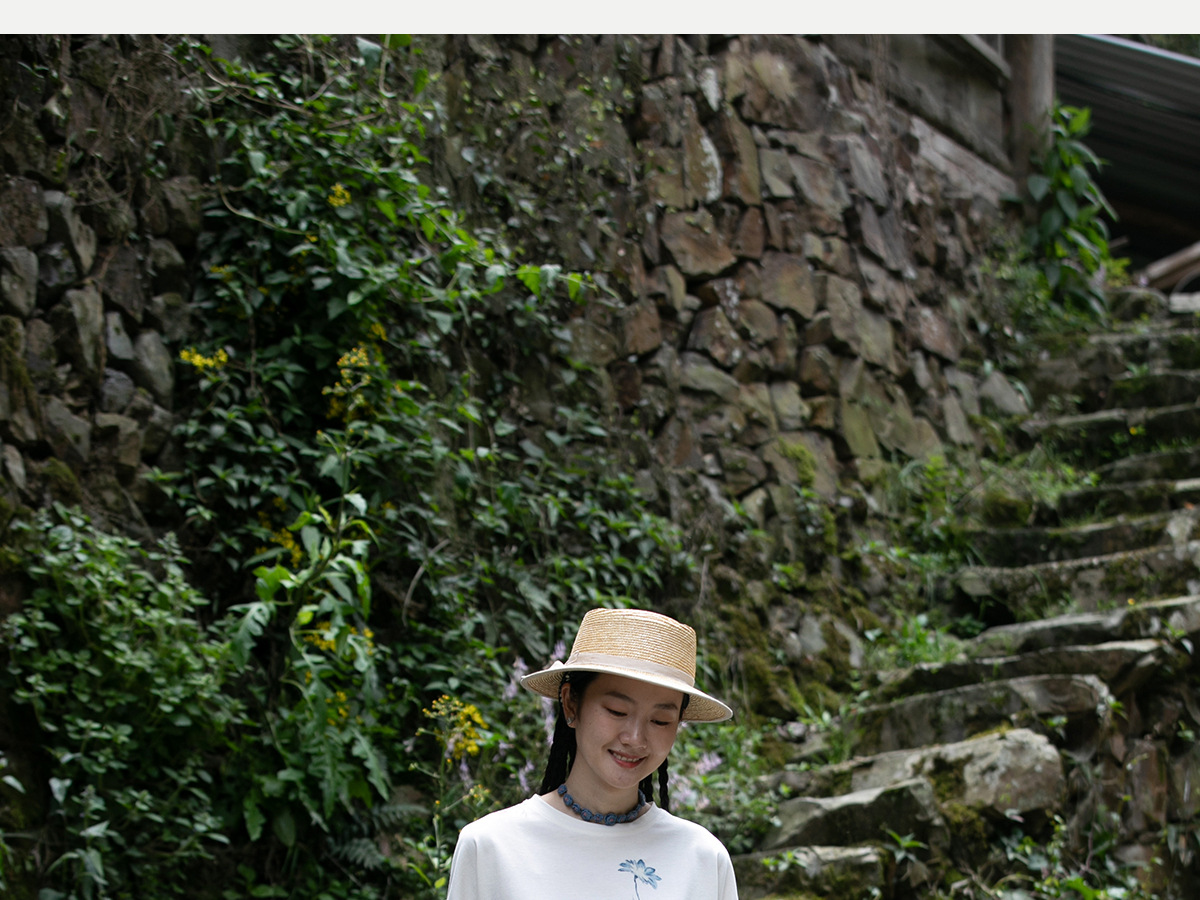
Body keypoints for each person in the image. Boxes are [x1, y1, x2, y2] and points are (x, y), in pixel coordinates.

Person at [446, 607, 739, 900]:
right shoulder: (492, 847)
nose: (635, 739)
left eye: (660, 720)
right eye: (617, 711)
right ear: (571, 704)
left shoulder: (702, 858)